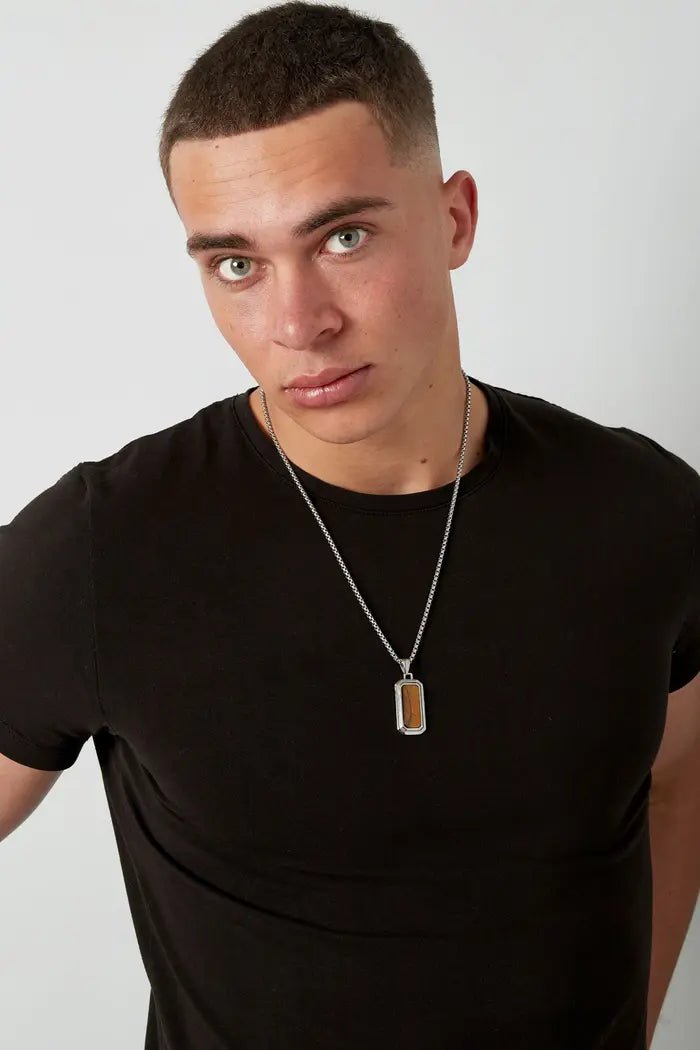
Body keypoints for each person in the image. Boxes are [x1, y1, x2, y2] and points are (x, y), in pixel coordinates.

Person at [1, 3, 699, 1048]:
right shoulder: (103, 548)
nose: (299, 324)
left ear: (455, 219)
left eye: (344, 237)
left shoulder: (643, 512)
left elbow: (676, 785)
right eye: (236, 263)